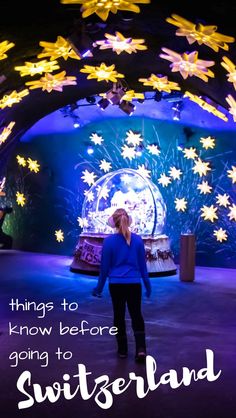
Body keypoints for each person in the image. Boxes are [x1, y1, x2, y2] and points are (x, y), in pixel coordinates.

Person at [92, 208, 151, 363]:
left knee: (118, 316)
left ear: (114, 223)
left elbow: (104, 268)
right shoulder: (138, 240)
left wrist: (99, 288)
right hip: (134, 284)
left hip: (116, 285)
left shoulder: (109, 242)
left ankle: (123, 350)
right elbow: (143, 267)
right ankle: (141, 349)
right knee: (136, 315)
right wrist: (147, 285)